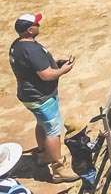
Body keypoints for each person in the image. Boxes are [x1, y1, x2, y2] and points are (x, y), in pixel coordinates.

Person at [7, 13, 78, 183]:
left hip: (28, 95)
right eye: (36, 23)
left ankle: (43, 154)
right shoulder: (32, 50)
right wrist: (63, 70)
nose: (39, 24)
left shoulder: (18, 45)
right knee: (53, 131)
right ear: (30, 30)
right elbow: (46, 76)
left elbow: (36, 67)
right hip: (42, 97)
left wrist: (54, 63)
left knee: (42, 124)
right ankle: (59, 168)